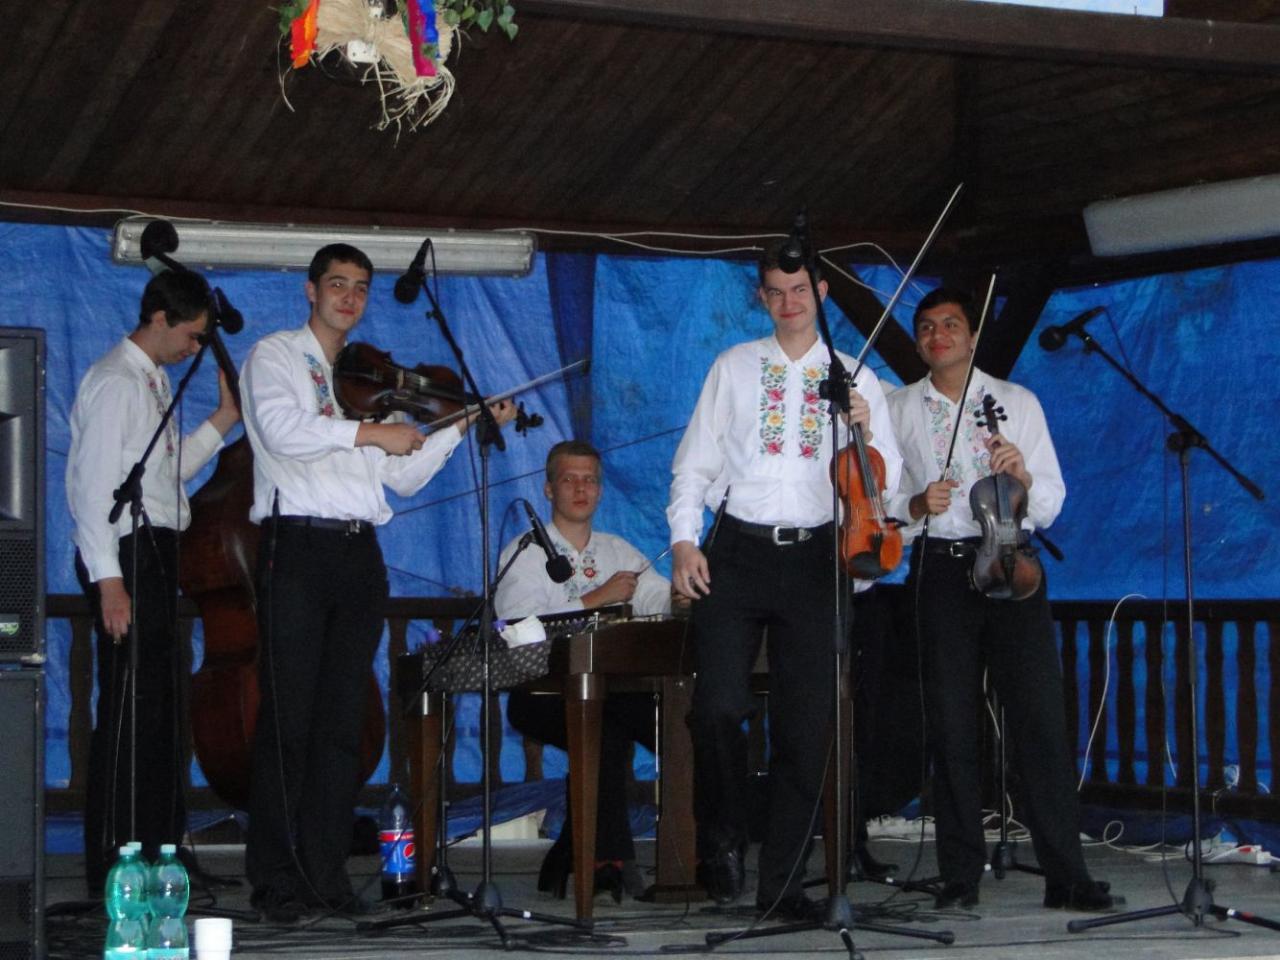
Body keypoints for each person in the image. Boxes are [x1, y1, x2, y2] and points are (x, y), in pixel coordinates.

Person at [240, 243, 515, 922]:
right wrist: (368, 433)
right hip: (297, 547)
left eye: (361, 287)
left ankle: (326, 875)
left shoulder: (370, 379)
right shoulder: (276, 356)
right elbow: (280, 430)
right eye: (337, 284)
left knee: (342, 722)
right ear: (311, 290)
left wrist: (458, 426)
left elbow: (404, 475)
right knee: (288, 720)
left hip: (359, 555)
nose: (350, 297)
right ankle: (276, 880)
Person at [668, 241, 901, 919]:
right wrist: (683, 542)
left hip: (818, 556)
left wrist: (864, 429)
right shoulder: (734, 366)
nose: (788, 303)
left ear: (821, 294)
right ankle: (723, 832)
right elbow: (693, 465)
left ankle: (783, 887)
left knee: (806, 728)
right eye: (775, 291)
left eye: (800, 290)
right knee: (718, 708)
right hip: (737, 550)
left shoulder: (858, 374)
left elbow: (887, 483)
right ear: (761, 297)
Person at [884, 287, 1113, 912]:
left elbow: (1052, 502)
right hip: (939, 567)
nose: (938, 336)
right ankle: (960, 874)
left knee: (1039, 718)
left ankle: (1067, 875)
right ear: (919, 342)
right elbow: (882, 500)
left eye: (950, 324)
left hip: (1013, 565)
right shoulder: (897, 407)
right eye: (926, 328)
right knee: (952, 724)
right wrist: (913, 504)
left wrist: (1024, 477)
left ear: (972, 335)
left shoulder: (1017, 402)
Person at [67, 269, 240, 894]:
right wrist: (109, 580)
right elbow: (91, 487)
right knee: (129, 710)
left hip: (156, 548)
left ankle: (160, 849)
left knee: (162, 707)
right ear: (159, 318)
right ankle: (116, 863)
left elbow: (163, 476)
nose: (196, 348)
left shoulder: (153, 379)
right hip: (126, 554)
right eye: (192, 335)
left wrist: (223, 418)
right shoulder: (117, 381)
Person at [495, 440, 673, 901]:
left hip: (611, 690)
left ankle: (691, 856)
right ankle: (607, 863)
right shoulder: (525, 551)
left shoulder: (616, 549)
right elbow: (517, 628)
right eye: (570, 479)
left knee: (678, 724)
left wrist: (679, 597)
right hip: (542, 693)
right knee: (604, 732)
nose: (581, 489)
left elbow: (653, 593)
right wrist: (596, 599)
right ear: (549, 489)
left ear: (600, 490)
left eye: (590, 480)